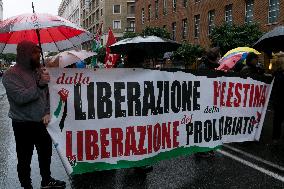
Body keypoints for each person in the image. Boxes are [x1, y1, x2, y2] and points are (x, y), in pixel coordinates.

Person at [2, 41, 66, 189]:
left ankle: (46, 180)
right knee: (24, 158)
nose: (38, 55)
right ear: (24, 54)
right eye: (34, 52)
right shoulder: (10, 75)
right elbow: (21, 98)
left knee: (45, 154)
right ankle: (26, 185)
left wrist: (47, 111)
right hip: (23, 124)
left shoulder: (39, 71)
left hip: (42, 122)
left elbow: (49, 95)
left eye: (38, 52)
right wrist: (40, 84)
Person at [196, 47, 221, 158]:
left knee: (211, 126)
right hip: (203, 102)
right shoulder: (203, 68)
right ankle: (200, 150)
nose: (220, 58)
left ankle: (208, 147)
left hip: (212, 102)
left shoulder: (215, 68)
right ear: (215, 58)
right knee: (203, 127)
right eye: (219, 56)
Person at [271, 57, 284, 144]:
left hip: (278, 100)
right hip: (279, 100)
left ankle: (276, 137)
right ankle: (276, 137)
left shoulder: (277, 73)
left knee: (277, 120)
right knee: (277, 120)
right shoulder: (277, 74)